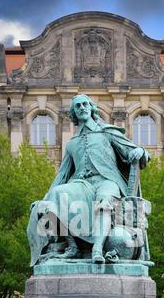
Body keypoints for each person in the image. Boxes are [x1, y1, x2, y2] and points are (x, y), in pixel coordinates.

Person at [27, 94, 150, 266]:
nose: (82, 108)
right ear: (74, 113)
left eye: (85, 104)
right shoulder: (72, 143)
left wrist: (141, 152)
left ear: (91, 109)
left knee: (104, 200)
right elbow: (62, 174)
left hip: (107, 180)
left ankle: (97, 249)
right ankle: (72, 246)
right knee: (56, 194)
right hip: (82, 183)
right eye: (78, 106)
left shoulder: (107, 132)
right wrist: (47, 196)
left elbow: (131, 151)